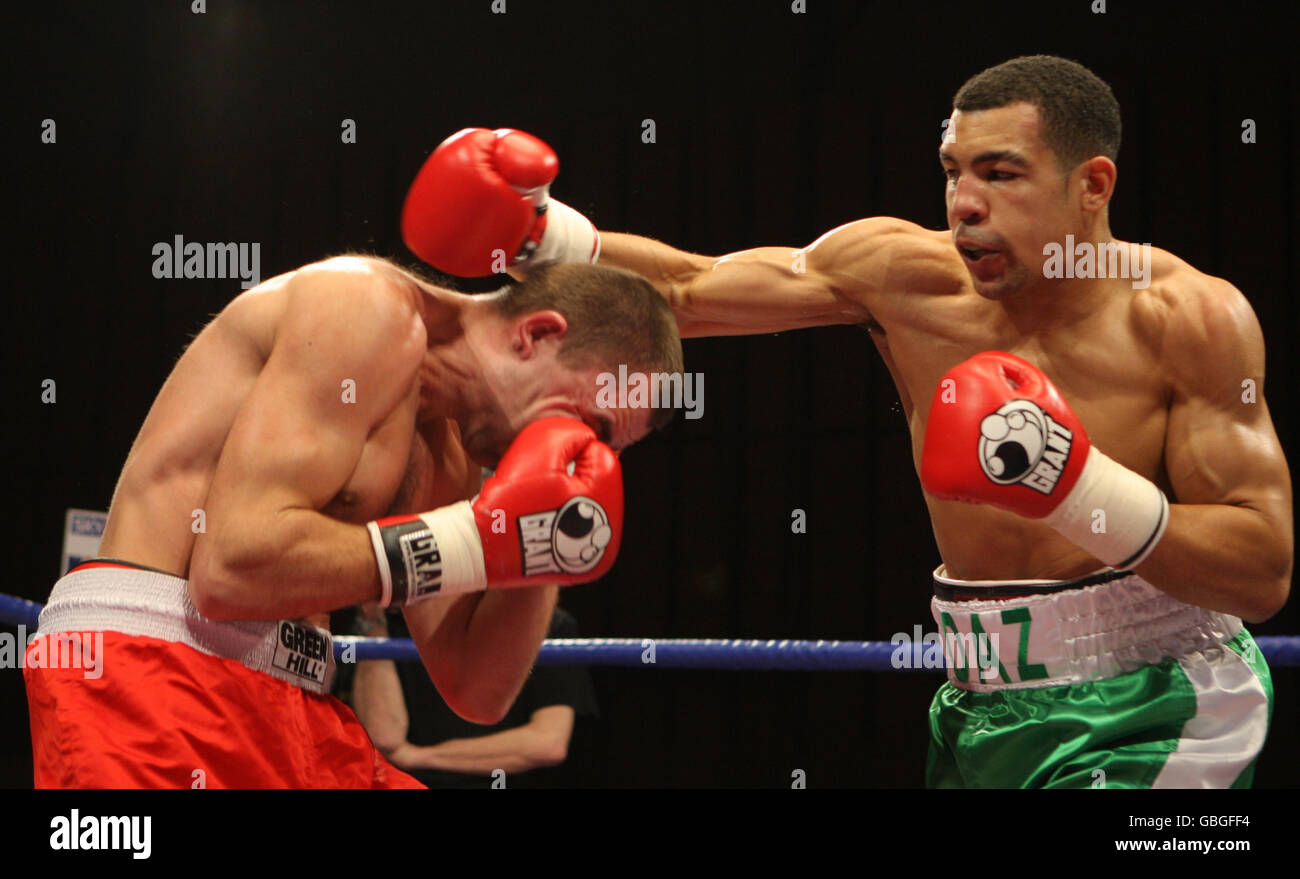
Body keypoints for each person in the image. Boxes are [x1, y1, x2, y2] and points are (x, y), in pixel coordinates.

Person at [406, 56, 1292, 788]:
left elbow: (1261, 565)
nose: (964, 203)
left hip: (1160, 702)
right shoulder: (905, 278)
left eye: (1001, 173)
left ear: (1093, 183)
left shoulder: (1188, 320)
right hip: (980, 703)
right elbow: (684, 288)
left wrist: (1078, 487)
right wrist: (530, 235)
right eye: (954, 171)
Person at [24, 247, 683, 787]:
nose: (578, 450)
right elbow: (228, 569)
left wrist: (542, 550)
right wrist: (473, 541)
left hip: (288, 693)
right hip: (152, 670)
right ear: (537, 333)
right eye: (588, 426)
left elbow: (475, 689)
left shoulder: (448, 454)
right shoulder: (365, 308)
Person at [351, 603, 597, 788]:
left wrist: (419, 757)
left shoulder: (542, 622)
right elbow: (384, 738)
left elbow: (548, 743)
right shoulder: (384, 627)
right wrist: (373, 619)